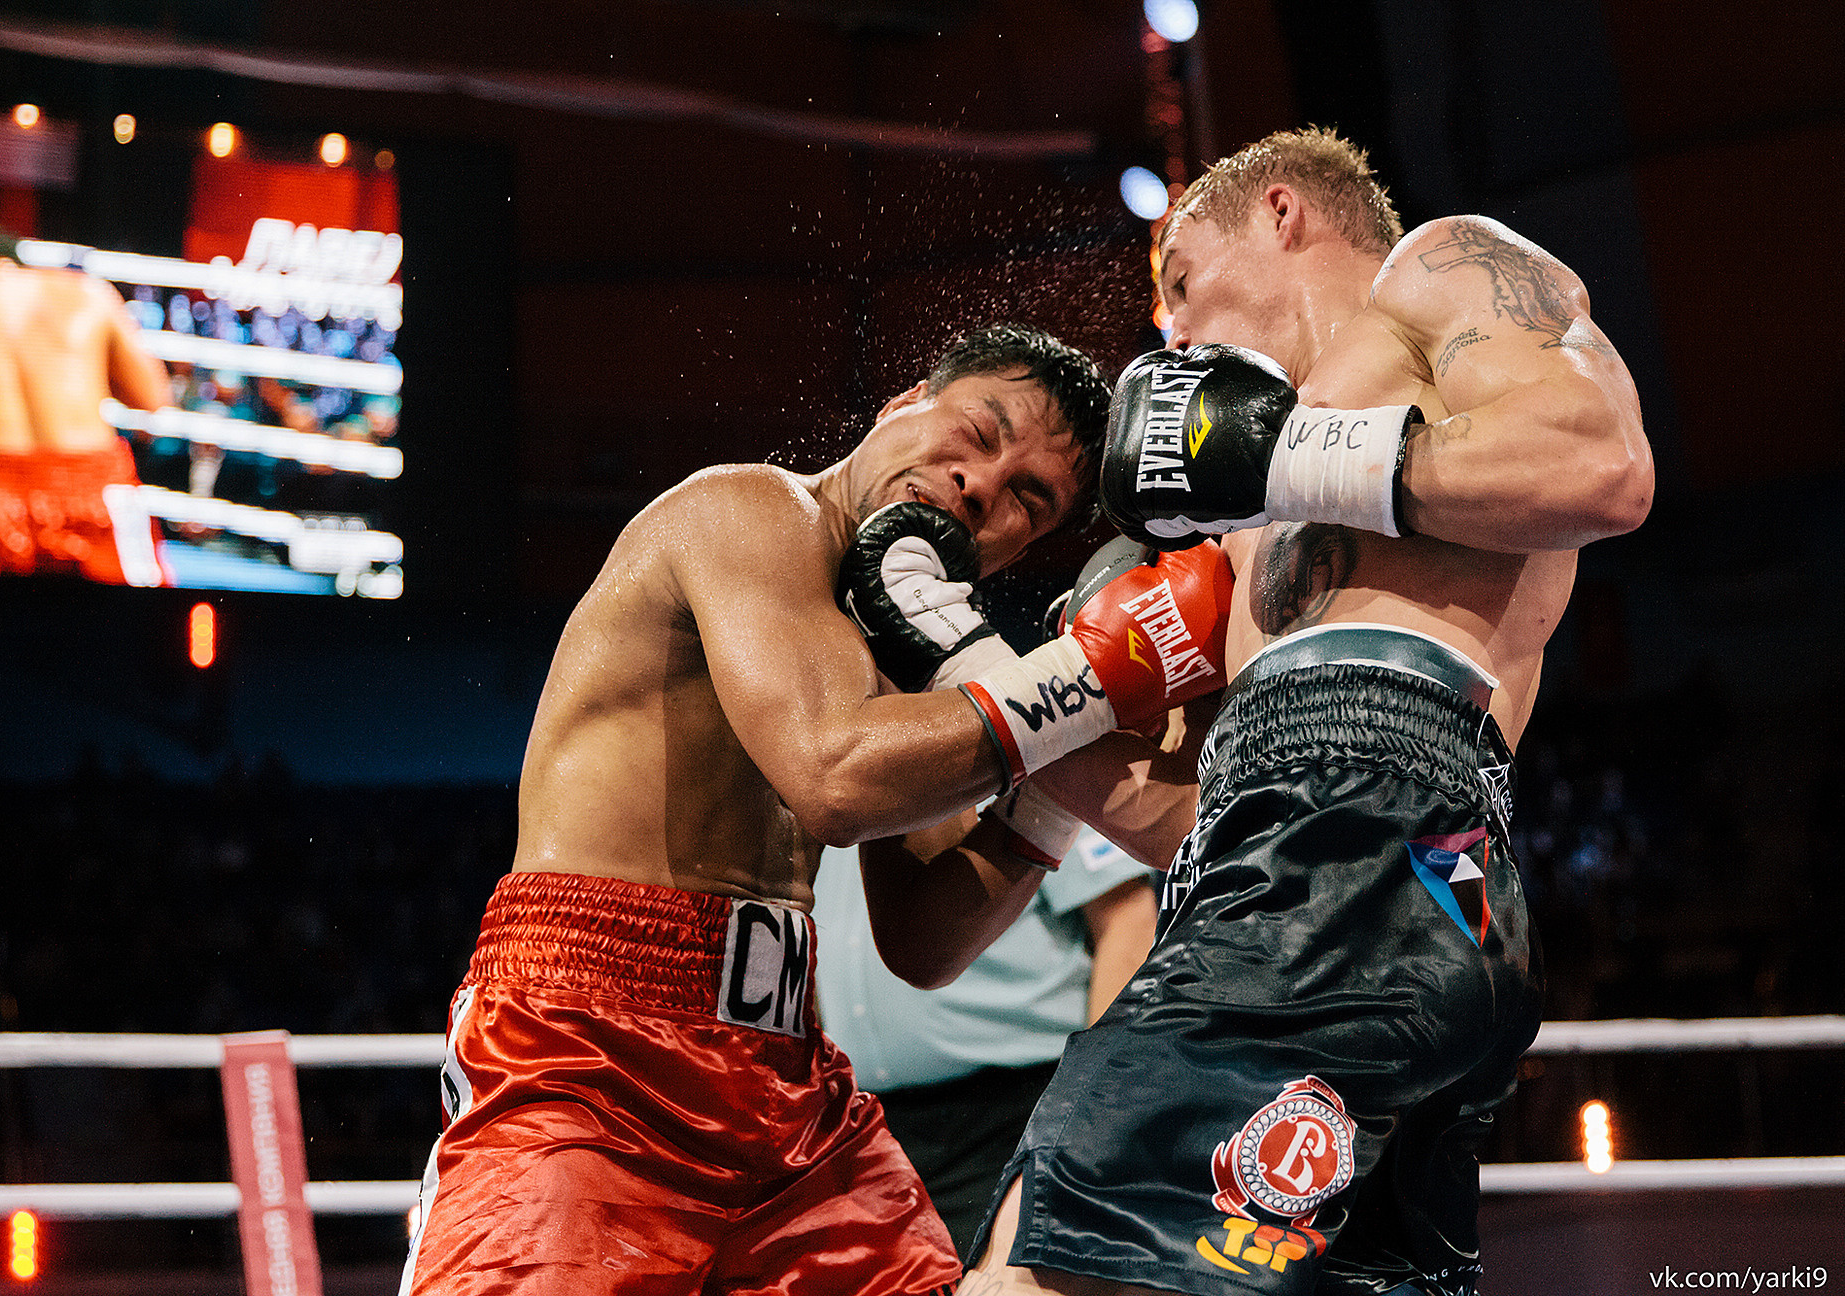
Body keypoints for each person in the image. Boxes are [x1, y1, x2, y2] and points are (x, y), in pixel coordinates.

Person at [944, 128, 1653, 1295]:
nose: (1169, 336)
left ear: (1279, 213)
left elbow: (1599, 467)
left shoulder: (1435, 272)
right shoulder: (1245, 533)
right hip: (1371, 893)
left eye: (1182, 282)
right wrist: (966, 663)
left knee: (1039, 1260)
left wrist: (1281, 454)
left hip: (1364, 846)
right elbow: (1203, 829)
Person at [398, 322, 1234, 1296]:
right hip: (594, 1050)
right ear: (901, 405)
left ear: (1022, 549)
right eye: (975, 430)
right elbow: (830, 778)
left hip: (783, 1077)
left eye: (1026, 499)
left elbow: (925, 942)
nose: (979, 484)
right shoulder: (746, 511)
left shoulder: (902, 647)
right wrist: (1087, 679)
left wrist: (1049, 797)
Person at [812, 824, 1157, 1249]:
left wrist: (1094, 1112)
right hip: (871, 1127)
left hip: (1020, 1110)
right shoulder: (823, 807)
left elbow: (1128, 923)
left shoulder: (1032, 773)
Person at [0, 225, 172, 586]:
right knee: (136, 629)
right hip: (93, 480)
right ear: (15, 264)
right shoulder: (87, 294)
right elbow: (153, 402)